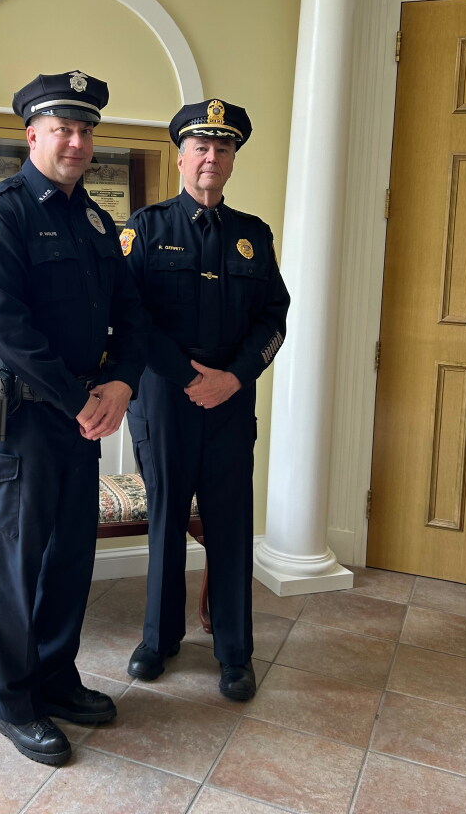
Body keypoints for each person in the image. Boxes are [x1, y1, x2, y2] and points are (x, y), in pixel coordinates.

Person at [0, 71, 142, 765]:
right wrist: (83, 399)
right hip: (25, 423)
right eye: (62, 128)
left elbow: (131, 315)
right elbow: (8, 329)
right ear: (32, 135)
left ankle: (57, 680)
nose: (76, 140)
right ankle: (16, 703)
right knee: (14, 567)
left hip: (82, 420)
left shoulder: (96, 222)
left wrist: (121, 382)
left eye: (85, 129)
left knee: (69, 559)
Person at [120, 98, 290, 701]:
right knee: (166, 519)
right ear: (181, 156)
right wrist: (190, 376)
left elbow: (275, 317)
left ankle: (234, 651)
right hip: (165, 399)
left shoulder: (252, 235)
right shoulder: (144, 229)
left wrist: (236, 377)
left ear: (233, 159)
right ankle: (158, 639)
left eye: (223, 148)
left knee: (229, 523)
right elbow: (129, 318)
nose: (211, 158)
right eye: (201, 147)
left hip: (230, 403)